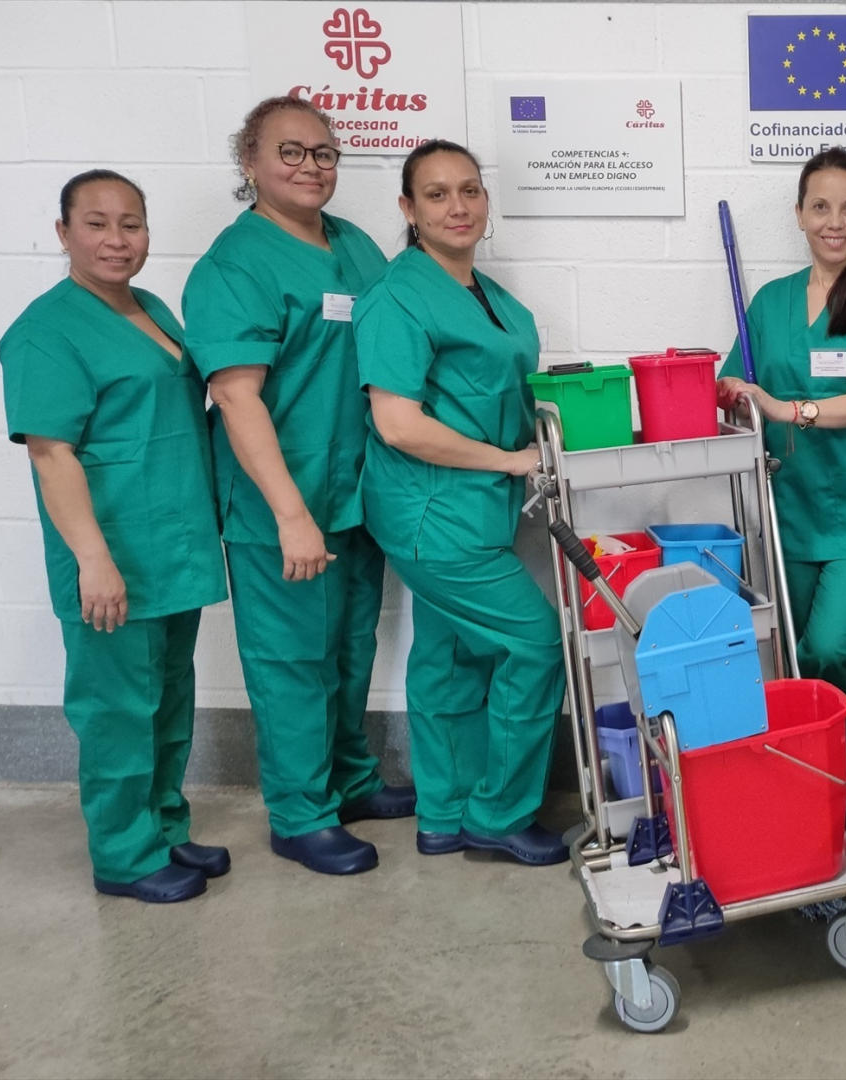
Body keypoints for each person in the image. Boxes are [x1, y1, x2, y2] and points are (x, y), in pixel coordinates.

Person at [184, 95, 413, 878]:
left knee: (349, 647)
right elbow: (236, 395)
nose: (310, 166)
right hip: (279, 503)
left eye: (322, 152)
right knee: (292, 662)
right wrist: (289, 514)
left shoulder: (353, 245)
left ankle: (349, 780)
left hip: (352, 492)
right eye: (289, 151)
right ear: (248, 162)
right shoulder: (236, 264)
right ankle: (300, 814)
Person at [0, 171, 229, 902]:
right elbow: (50, 453)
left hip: (174, 545)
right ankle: (125, 856)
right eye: (96, 224)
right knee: (117, 712)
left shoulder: (151, 308)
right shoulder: (46, 331)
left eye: (131, 224)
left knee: (167, 699)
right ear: (63, 233)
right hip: (113, 551)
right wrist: (93, 560)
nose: (116, 240)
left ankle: (164, 827)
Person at [355, 140, 568, 866]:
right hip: (432, 513)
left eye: (470, 190)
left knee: (448, 656)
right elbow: (398, 424)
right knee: (535, 643)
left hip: (473, 508)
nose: (458, 206)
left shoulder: (486, 294)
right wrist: (511, 460)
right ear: (408, 209)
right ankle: (498, 815)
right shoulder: (397, 297)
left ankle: (443, 813)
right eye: (437, 194)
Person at [716, 148, 846, 815]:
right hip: (791, 506)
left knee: (828, 648)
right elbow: (733, 380)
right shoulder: (770, 302)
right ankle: (829, 790)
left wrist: (787, 409)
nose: (836, 222)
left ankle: (834, 785)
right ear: (800, 215)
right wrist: (732, 391)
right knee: (796, 661)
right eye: (821, 207)